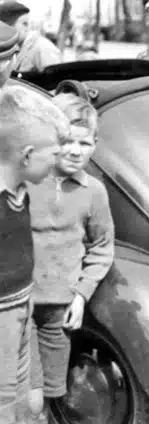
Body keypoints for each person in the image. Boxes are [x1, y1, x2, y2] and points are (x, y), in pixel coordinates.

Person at [26, 92, 115, 423]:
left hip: (59, 311)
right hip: (17, 306)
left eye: (86, 143)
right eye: (67, 141)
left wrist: (81, 295)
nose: (76, 151)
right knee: (25, 395)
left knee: (51, 392)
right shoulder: (25, 181)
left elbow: (103, 246)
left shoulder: (94, 191)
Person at [0, 85, 70, 424]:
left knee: (24, 402)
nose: (58, 164)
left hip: (19, 312)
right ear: (27, 156)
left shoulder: (21, 192)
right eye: (53, 155)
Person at [0, 1, 61, 73]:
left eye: (26, 24)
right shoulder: (13, 48)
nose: (27, 29)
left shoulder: (42, 48)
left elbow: (56, 81)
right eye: (24, 24)